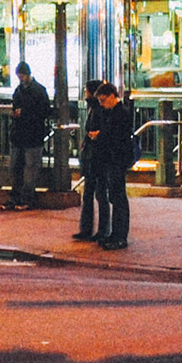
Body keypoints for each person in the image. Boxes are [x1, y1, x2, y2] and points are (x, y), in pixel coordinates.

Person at [2, 61, 52, 211]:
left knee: (27, 168)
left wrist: (22, 113)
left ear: (28, 74)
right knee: (18, 168)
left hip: (29, 134)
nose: (21, 78)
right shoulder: (26, 90)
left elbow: (43, 112)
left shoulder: (35, 91)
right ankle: (18, 198)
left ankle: (24, 198)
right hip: (25, 135)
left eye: (22, 75)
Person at [91, 81, 134, 250]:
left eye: (103, 100)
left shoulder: (120, 113)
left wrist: (99, 136)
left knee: (118, 198)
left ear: (111, 96)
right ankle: (115, 234)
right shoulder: (111, 112)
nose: (102, 104)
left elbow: (114, 136)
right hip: (112, 159)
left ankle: (120, 236)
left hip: (117, 159)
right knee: (115, 197)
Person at [71, 79, 104, 241]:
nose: (85, 94)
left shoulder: (97, 109)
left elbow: (97, 132)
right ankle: (89, 229)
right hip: (93, 157)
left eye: (86, 91)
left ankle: (93, 229)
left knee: (97, 194)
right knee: (92, 194)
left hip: (96, 158)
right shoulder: (94, 108)